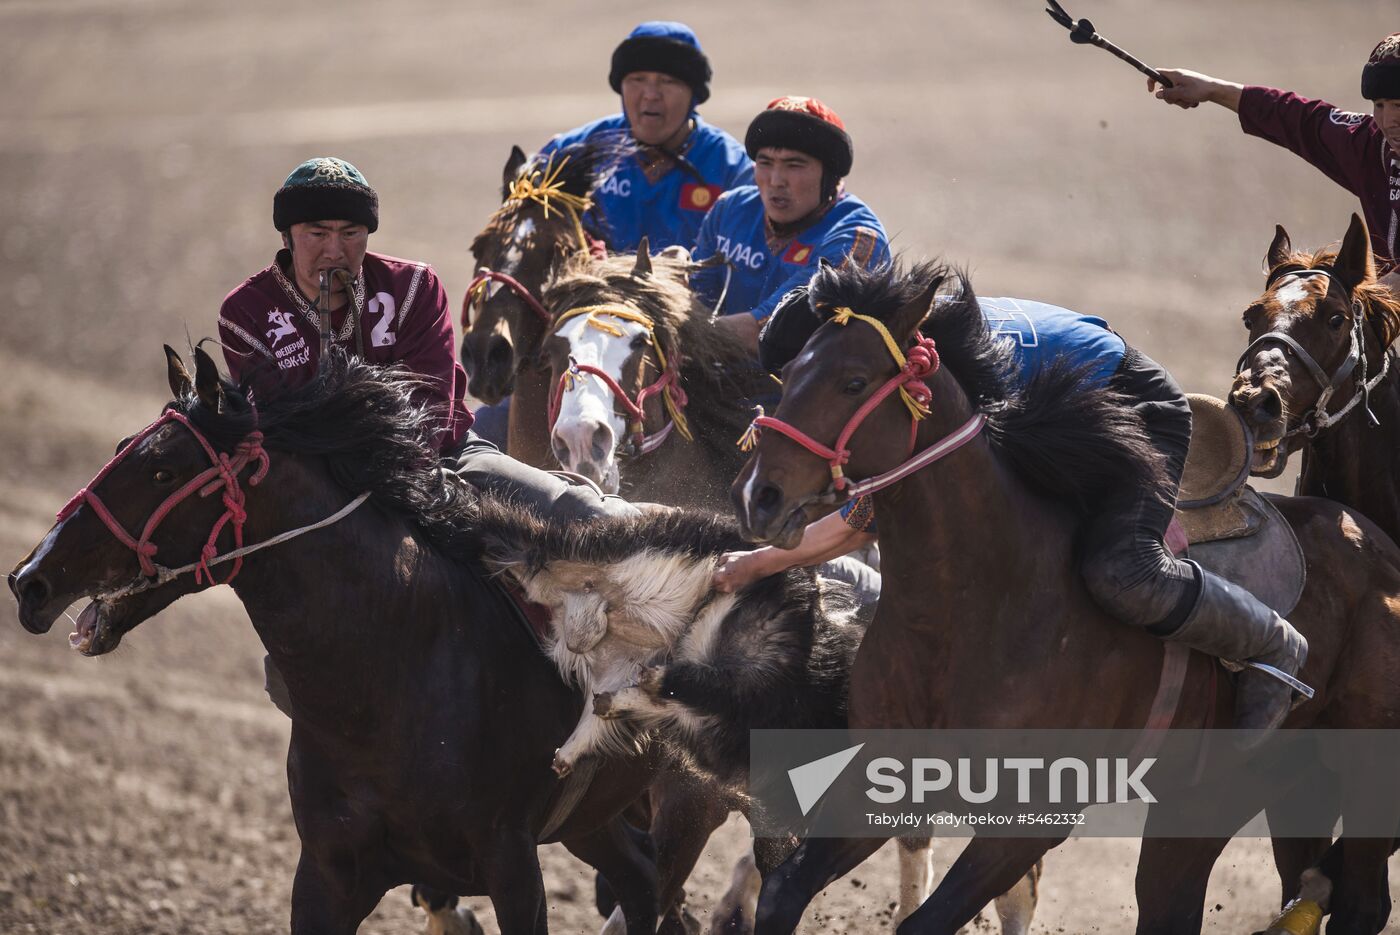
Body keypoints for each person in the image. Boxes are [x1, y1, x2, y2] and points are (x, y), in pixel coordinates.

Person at [722, 282, 1311, 745]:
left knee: (1122, 570)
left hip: (1132, 402)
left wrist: (756, 565)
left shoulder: (936, 379)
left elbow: (859, 523)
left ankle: (1273, 644)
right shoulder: (894, 352)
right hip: (1051, 404)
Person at [220, 158, 636, 713]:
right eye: (315, 234)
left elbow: (432, 410)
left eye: (350, 234)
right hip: (327, 500)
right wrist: (342, 408)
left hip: (443, 464)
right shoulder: (247, 313)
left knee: (583, 514)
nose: (334, 251)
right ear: (287, 235)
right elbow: (285, 432)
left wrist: (332, 411)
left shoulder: (414, 288)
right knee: (293, 672)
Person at [1148, 33, 1400, 275]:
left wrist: (1382, 291)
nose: (1388, 120)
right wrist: (1213, 89)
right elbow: (1299, 119)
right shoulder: (1371, 146)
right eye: (1379, 105)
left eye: (1398, 105)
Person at [692, 96, 891, 354]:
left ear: (830, 176)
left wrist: (670, 329)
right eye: (765, 163)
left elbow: (765, 330)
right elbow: (693, 302)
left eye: (794, 165)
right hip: (727, 376)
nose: (776, 180)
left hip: (810, 390)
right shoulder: (729, 210)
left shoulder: (857, 241)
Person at [538, 21, 753, 253]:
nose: (651, 95)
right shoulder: (571, 153)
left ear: (694, 95)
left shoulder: (733, 170)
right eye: (638, 79)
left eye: (668, 81)